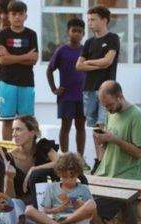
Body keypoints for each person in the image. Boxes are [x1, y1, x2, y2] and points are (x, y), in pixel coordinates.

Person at [81, 81, 141, 224]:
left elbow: (138, 152)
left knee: (92, 212)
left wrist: (114, 139)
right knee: (79, 205)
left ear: (119, 96)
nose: (107, 109)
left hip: (124, 180)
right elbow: (107, 152)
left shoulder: (136, 116)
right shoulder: (111, 114)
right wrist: (100, 141)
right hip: (105, 174)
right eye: (104, 106)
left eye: (109, 105)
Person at [0, 115, 58, 224]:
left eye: (19, 129)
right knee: (15, 209)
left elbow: (60, 163)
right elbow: (9, 197)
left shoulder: (43, 147)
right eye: (13, 129)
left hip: (42, 206)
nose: (14, 133)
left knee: (20, 215)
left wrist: (34, 170)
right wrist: (9, 179)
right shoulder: (6, 156)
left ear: (32, 133)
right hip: (18, 206)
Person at [25, 153, 96, 224]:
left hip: (75, 222)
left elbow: (91, 211)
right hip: (55, 219)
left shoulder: (83, 189)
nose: (68, 180)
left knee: (91, 204)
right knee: (29, 210)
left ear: (78, 174)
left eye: (72, 177)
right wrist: (60, 208)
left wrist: (80, 205)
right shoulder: (52, 188)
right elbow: (46, 210)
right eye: (65, 177)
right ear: (59, 174)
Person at [76, 5, 120, 163]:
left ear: (104, 20)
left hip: (106, 90)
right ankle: (99, 160)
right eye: (88, 20)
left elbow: (108, 62)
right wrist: (97, 63)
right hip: (88, 89)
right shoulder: (88, 43)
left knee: (103, 124)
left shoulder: (112, 38)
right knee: (93, 126)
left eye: (93, 19)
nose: (90, 23)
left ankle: (107, 160)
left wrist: (89, 62)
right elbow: (78, 65)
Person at [0, 1, 38, 141]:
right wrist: (25, 56)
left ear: (26, 16)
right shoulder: (3, 34)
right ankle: (7, 153)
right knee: (7, 120)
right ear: (8, 16)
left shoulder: (31, 34)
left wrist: (11, 57)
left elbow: (34, 59)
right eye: (14, 14)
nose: (17, 17)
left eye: (21, 14)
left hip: (26, 82)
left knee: (27, 121)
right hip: (7, 82)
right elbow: (3, 61)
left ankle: (26, 151)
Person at [47, 18, 86, 155]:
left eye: (79, 31)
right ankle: (64, 156)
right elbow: (49, 69)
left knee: (81, 126)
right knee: (66, 126)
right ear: (67, 32)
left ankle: (80, 158)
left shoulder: (85, 50)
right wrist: (54, 89)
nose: (76, 34)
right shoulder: (62, 50)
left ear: (84, 33)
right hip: (66, 95)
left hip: (82, 95)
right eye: (73, 31)